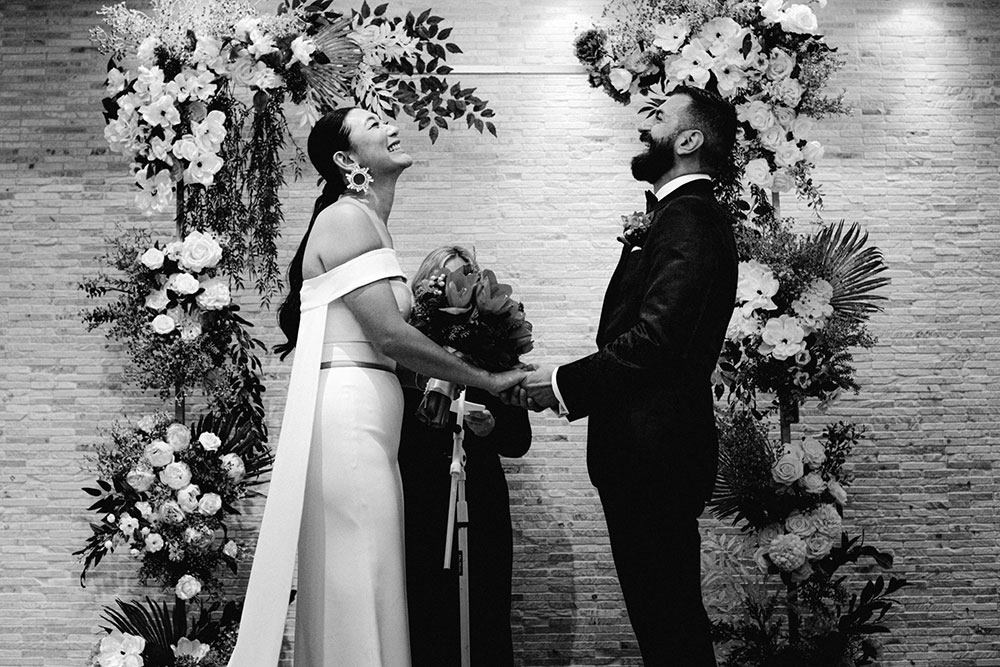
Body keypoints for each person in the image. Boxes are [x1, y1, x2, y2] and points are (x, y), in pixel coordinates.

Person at [225, 108, 525, 667]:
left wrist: (450, 385)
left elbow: (389, 344)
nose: (390, 123)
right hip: (349, 417)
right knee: (360, 568)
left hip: (369, 412)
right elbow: (389, 335)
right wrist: (487, 379)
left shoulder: (368, 221)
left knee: (371, 568)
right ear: (346, 160)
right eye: (372, 121)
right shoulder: (346, 218)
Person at [510, 86, 739, 665]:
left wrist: (562, 384)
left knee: (669, 623)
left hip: (655, 454)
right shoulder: (677, 216)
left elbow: (657, 342)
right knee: (663, 619)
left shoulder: (688, 218)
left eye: (659, 117)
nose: (645, 125)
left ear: (688, 140)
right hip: (647, 452)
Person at [398, 246, 532, 667]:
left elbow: (518, 440)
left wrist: (492, 428)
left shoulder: (494, 353)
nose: (458, 292)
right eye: (447, 281)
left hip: (482, 495)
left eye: (467, 281)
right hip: (423, 495)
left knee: (486, 604)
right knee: (426, 604)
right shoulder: (407, 353)